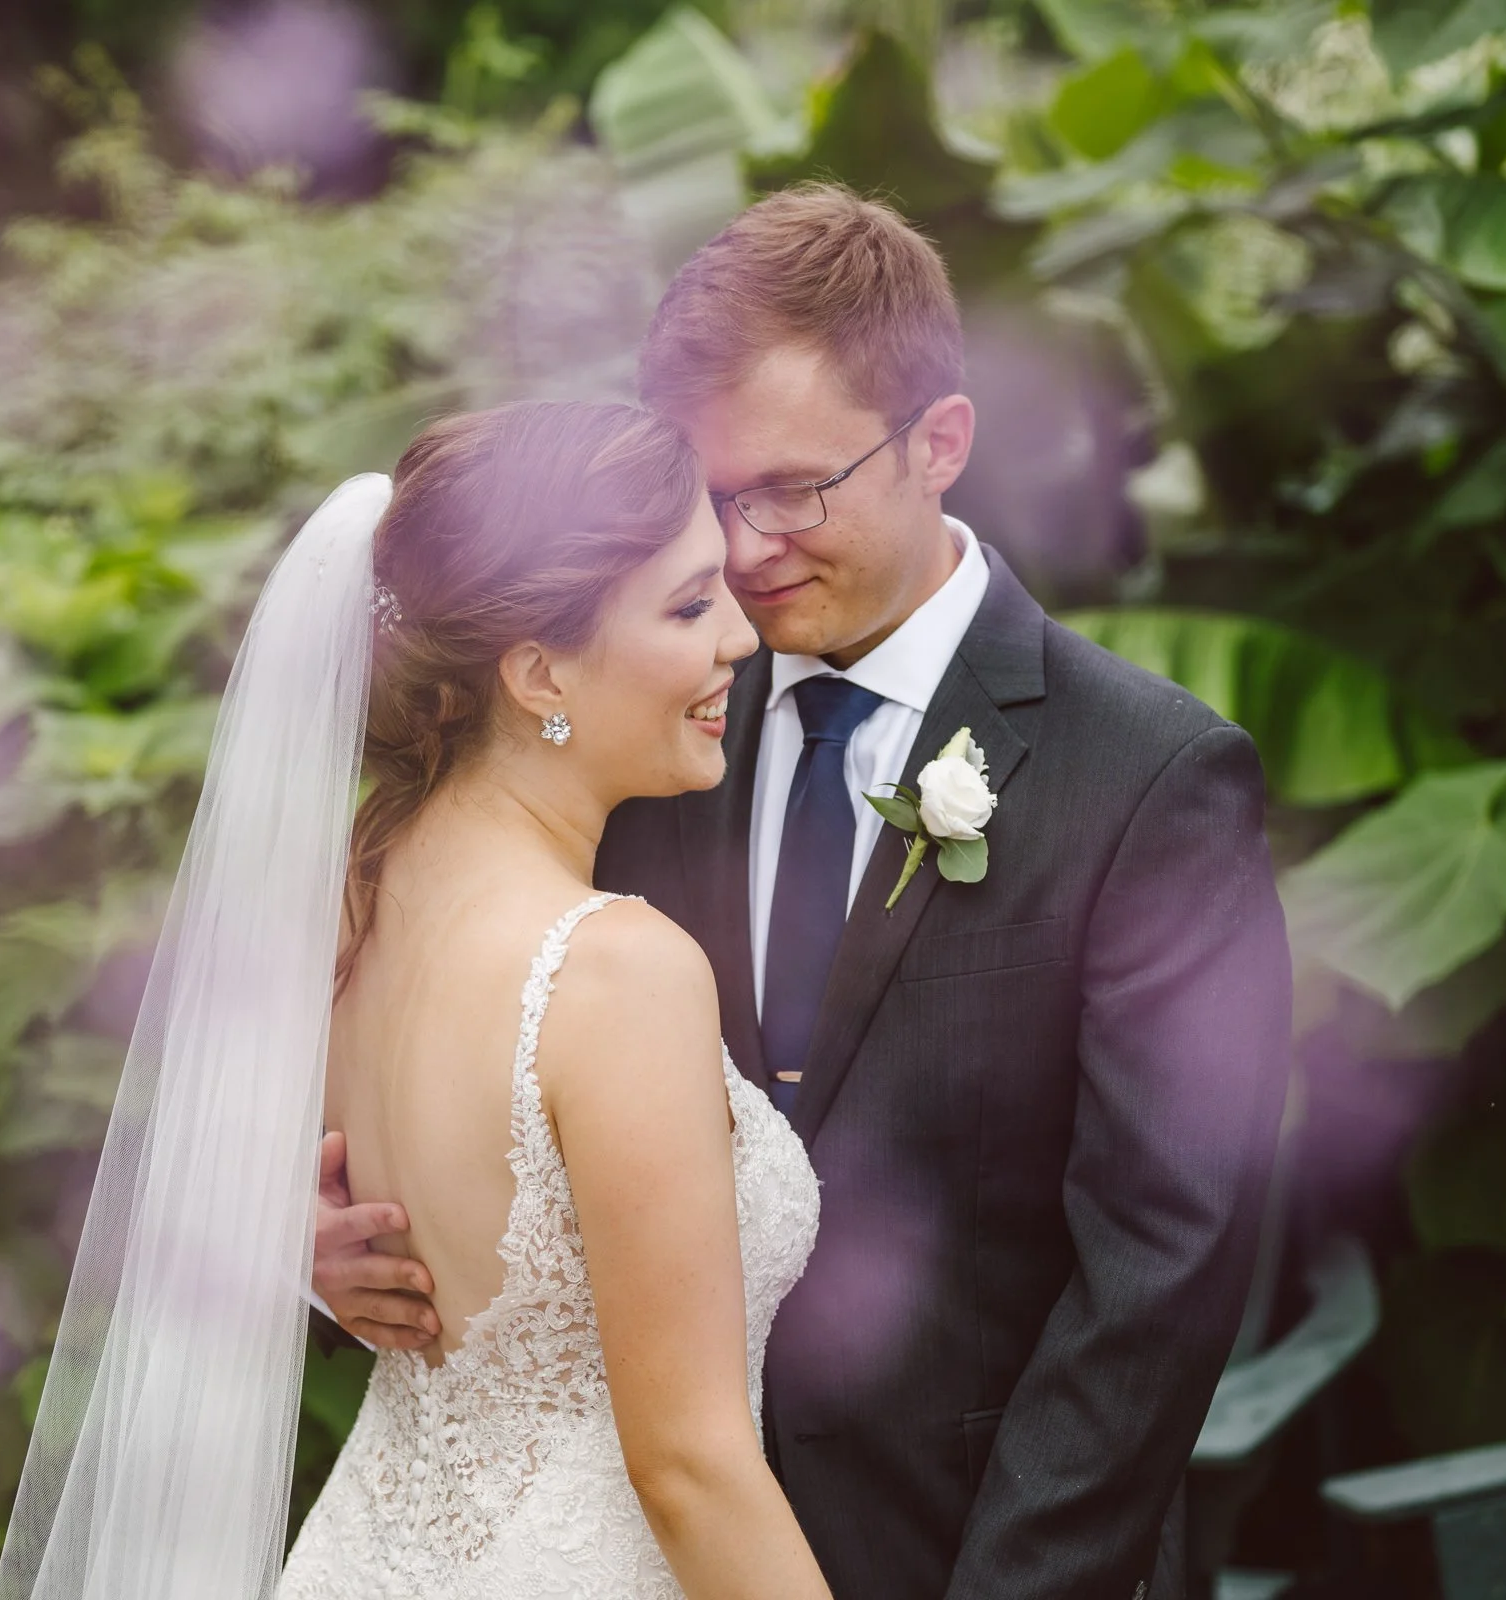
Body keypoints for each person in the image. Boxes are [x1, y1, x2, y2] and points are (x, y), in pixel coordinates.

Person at [314, 185, 1295, 1600]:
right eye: (714, 499)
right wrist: (332, 1244)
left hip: (972, 1555)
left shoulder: (1148, 780)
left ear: (940, 443)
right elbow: (476, 1064)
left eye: (792, 489)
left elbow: (1161, 1270)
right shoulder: (632, 730)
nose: (746, 547)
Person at [0, 402, 830, 1600]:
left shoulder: (346, 902)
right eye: (691, 606)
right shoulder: (618, 971)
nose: (742, 636)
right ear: (539, 671)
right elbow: (689, 1467)